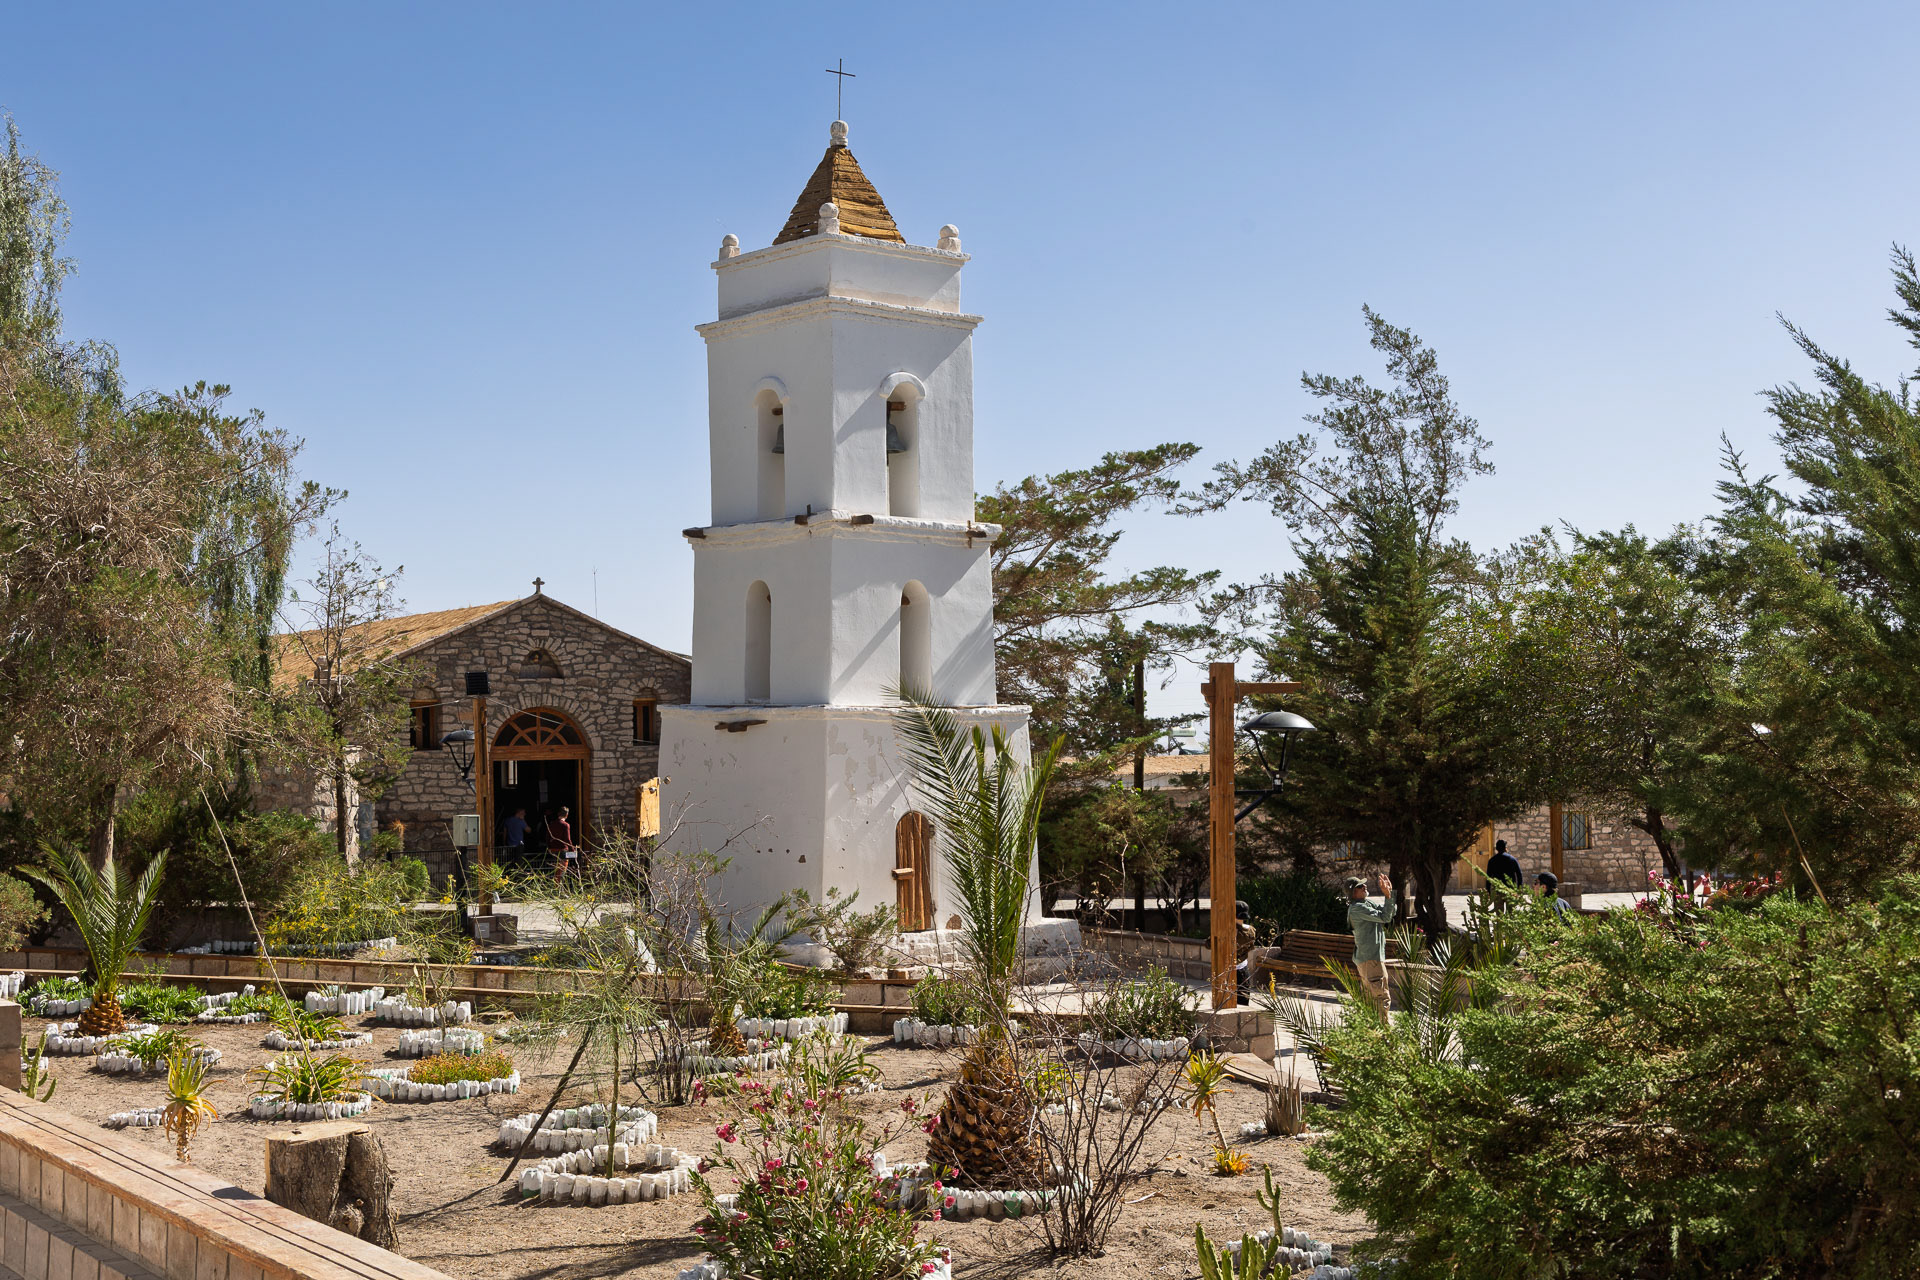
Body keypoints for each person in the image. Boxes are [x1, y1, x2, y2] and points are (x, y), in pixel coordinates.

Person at [1345, 873, 1397, 1013]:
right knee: (1381, 998)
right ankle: (1383, 1033)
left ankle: (1373, 1032)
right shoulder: (1357, 908)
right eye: (1360, 886)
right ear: (1353, 892)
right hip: (1370, 960)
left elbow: (1390, 912)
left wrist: (1389, 894)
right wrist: (1387, 897)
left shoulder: (1366, 903)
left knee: (1372, 999)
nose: (1365, 887)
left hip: (1372, 959)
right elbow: (1385, 916)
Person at [549, 805, 578, 878]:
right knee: (561, 872)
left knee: (554, 871)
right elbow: (567, 839)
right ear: (567, 815)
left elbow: (547, 837)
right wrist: (572, 850)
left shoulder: (552, 824)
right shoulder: (565, 825)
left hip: (553, 850)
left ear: (558, 814)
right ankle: (558, 887)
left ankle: (556, 887)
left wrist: (549, 847)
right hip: (562, 851)